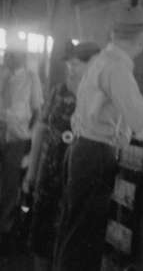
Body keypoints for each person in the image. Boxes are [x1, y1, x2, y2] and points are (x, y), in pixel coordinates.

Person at [54, 5, 143, 271]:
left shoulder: (101, 62)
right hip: (95, 154)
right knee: (86, 239)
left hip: (82, 149)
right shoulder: (116, 67)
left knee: (75, 234)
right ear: (142, 39)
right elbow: (139, 115)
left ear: (113, 34)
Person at [23, 41, 102, 270]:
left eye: (76, 64)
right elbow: (41, 129)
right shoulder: (59, 92)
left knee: (71, 242)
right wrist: (32, 172)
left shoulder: (100, 97)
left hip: (80, 181)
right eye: (70, 64)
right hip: (50, 175)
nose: (71, 69)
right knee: (41, 236)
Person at [0, 40, 43, 249]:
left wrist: (28, 137)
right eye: (8, 54)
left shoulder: (30, 78)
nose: (10, 58)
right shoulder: (1, 75)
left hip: (17, 139)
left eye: (14, 54)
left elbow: (37, 111)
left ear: (22, 57)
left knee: (10, 186)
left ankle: (5, 233)